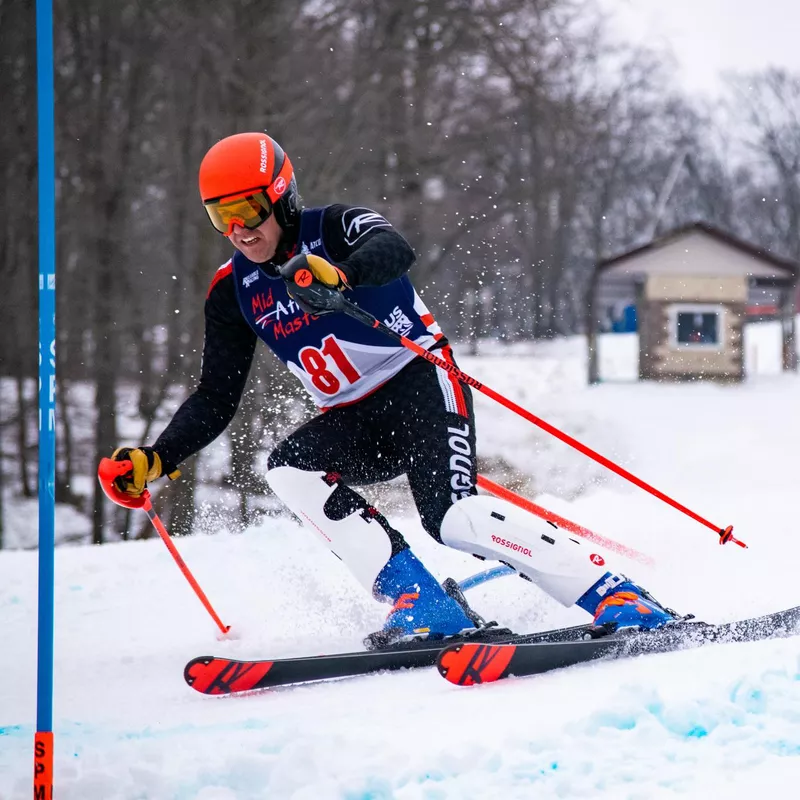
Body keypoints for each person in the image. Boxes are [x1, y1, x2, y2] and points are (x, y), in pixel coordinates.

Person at [103, 131, 679, 648]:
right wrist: (158, 456)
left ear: (280, 196)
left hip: (421, 384)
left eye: (248, 209)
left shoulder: (333, 227)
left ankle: (612, 593)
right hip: (355, 418)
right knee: (288, 469)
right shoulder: (233, 290)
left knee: (451, 518)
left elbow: (396, 251)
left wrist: (342, 274)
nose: (238, 229)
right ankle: (422, 603)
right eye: (219, 217)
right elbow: (216, 395)